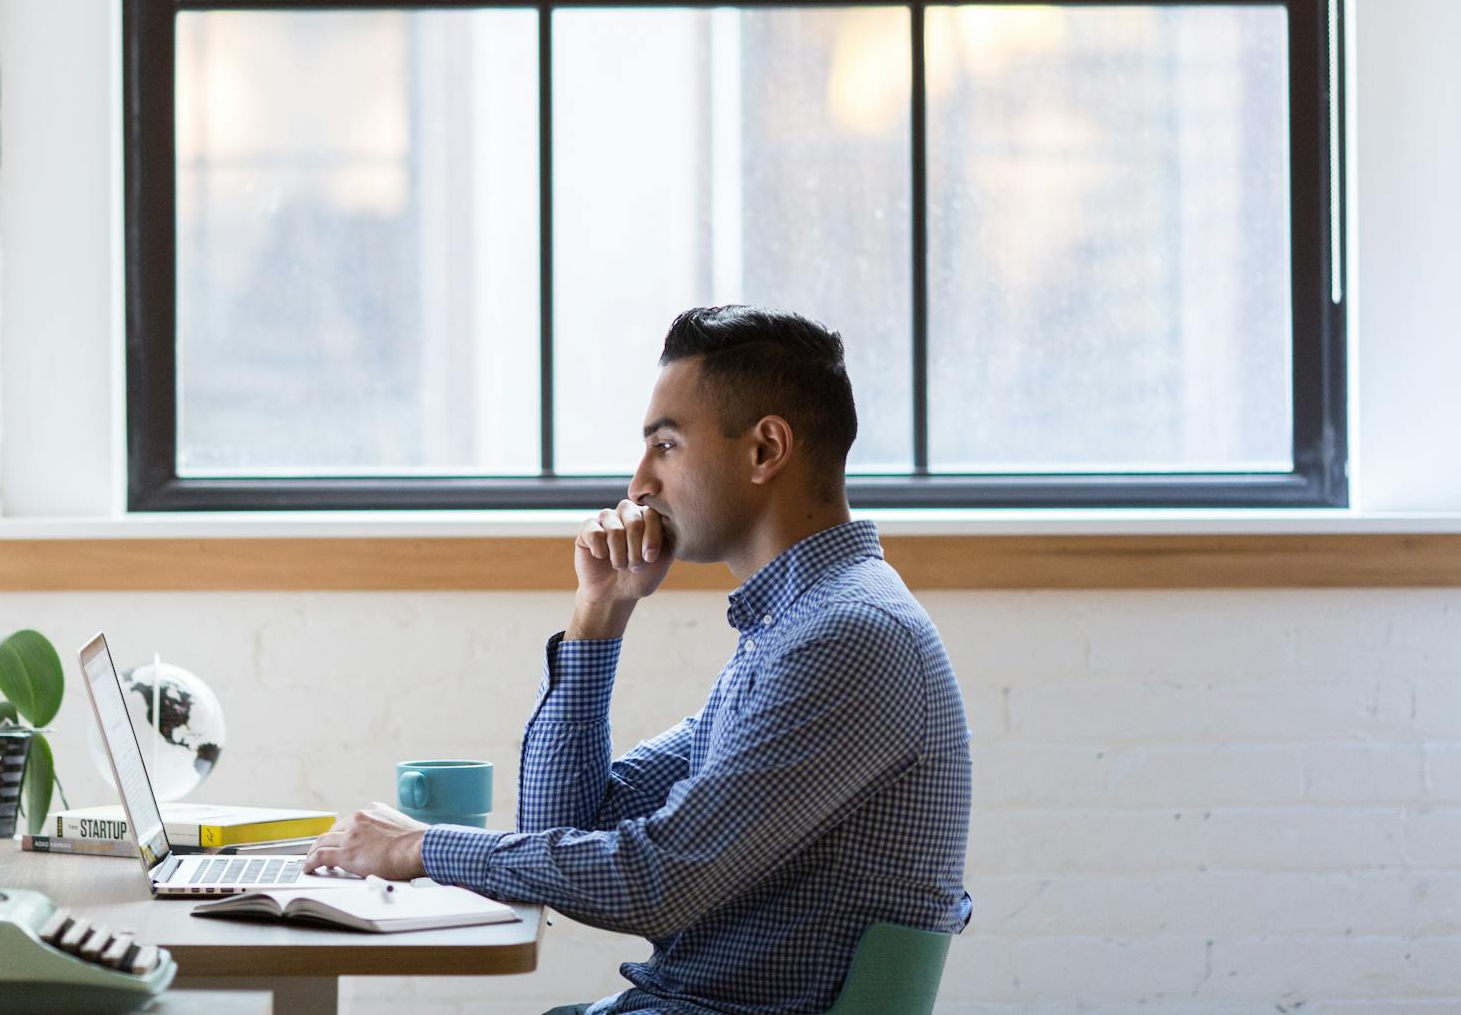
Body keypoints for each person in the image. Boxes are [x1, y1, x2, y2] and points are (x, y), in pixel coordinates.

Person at [306, 305, 973, 1014]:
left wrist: (421, 847)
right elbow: (563, 826)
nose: (638, 484)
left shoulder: (846, 637)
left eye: (666, 445)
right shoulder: (792, 629)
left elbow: (657, 882)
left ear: (764, 450)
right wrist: (600, 611)